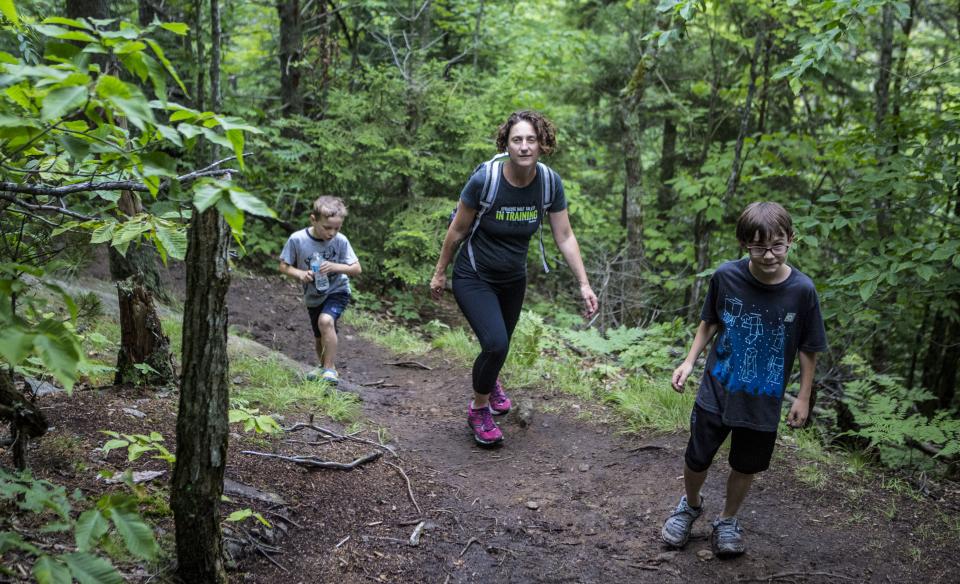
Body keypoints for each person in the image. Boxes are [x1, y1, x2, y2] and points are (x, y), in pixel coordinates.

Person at [660, 201, 827, 557]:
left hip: (763, 397)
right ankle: (690, 505)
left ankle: (727, 519)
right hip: (718, 386)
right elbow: (709, 321)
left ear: (790, 241)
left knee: (746, 464)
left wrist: (802, 397)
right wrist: (689, 362)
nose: (768, 255)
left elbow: (809, 347)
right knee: (697, 456)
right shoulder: (726, 276)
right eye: (758, 246)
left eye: (776, 245)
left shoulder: (802, 290)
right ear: (744, 244)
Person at [430, 110, 599, 446]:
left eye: (531, 140)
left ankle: (489, 379)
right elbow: (458, 229)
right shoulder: (486, 181)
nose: (524, 147)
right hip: (474, 274)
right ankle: (479, 410)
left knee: (497, 348)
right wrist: (439, 273)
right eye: (517, 140)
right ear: (505, 144)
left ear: (542, 143)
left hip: (513, 278)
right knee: (495, 344)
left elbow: (564, 235)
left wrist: (584, 283)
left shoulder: (549, 183)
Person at [279, 196, 362, 385]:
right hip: (313, 294)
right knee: (319, 335)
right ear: (313, 219)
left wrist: (334, 266)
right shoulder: (297, 240)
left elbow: (356, 269)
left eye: (337, 228)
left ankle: (330, 369)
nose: (332, 233)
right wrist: (300, 274)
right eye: (327, 227)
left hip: (337, 290)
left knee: (326, 322)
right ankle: (322, 366)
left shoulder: (341, 241)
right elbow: (284, 266)